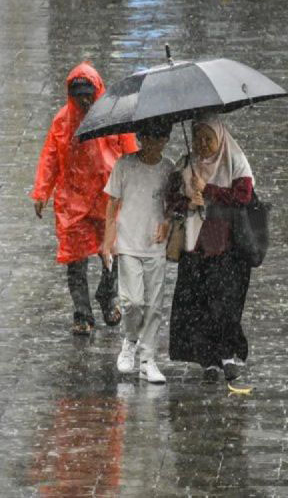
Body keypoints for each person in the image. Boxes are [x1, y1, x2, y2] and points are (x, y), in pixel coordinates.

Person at [31, 62, 138, 336]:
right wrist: (42, 192)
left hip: (107, 197)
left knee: (112, 251)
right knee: (76, 260)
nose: (84, 101)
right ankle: (82, 313)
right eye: (78, 96)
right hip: (74, 200)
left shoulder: (113, 117)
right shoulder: (63, 122)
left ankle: (108, 296)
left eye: (88, 95)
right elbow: (50, 158)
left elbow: (129, 151)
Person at [165, 114, 254, 383]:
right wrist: (189, 202)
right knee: (197, 305)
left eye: (208, 139)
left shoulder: (235, 160)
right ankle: (208, 360)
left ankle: (227, 354)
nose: (202, 145)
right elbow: (170, 200)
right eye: (198, 138)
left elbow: (243, 196)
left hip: (228, 247)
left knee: (225, 303)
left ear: (220, 138)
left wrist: (210, 190)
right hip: (195, 246)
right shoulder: (185, 165)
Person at [103, 119, 175, 384]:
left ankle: (147, 359)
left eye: (160, 139)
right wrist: (108, 240)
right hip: (128, 243)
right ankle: (130, 339)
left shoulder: (169, 169)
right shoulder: (124, 165)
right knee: (132, 302)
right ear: (141, 138)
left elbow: (173, 204)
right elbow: (112, 203)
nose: (155, 145)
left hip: (155, 245)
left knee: (154, 305)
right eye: (150, 139)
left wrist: (168, 222)